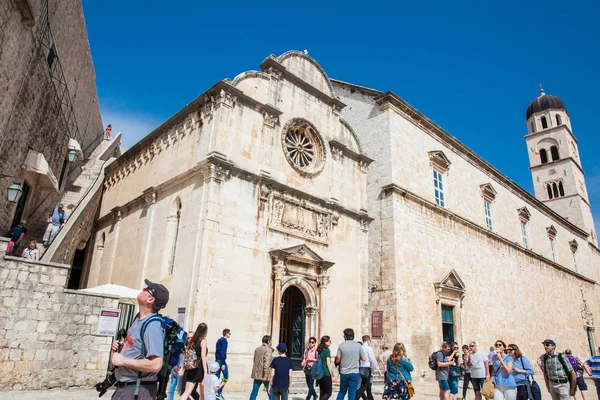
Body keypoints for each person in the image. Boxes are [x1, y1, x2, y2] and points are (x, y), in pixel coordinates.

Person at [110, 279, 169, 399]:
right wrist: (123, 348)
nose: (143, 289)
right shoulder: (138, 319)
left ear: (150, 300)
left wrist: (123, 361)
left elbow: (156, 364)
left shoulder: (152, 325)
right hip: (126, 388)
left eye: (147, 289)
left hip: (137, 390)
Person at [335, 328, 367, 400]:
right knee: (352, 393)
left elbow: (337, 360)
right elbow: (364, 358)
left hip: (344, 372)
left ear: (345, 336)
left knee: (342, 391)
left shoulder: (341, 346)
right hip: (354, 372)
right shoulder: (358, 346)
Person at [180, 323, 209, 400]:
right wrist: (206, 372)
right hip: (200, 368)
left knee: (186, 392)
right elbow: (203, 356)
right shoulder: (203, 340)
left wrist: (182, 368)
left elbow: (187, 355)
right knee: (203, 394)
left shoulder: (192, 340)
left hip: (192, 366)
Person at [168, 331, 193, 400]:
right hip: (176, 369)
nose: (190, 339)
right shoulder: (182, 347)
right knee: (171, 390)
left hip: (183, 372)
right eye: (188, 338)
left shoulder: (192, 349)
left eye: (191, 338)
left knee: (181, 391)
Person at [357, 335, 381, 400]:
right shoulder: (368, 348)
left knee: (363, 385)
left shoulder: (360, 347)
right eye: (370, 341)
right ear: (368, 340)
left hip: (360, 368)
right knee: (366, 385)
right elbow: (372, 359)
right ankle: (356, 397)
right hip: (366, 368)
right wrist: (378, 368)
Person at [250, 335, 273, 400]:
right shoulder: (268, 350)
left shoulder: (257, 349)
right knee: (270, 391)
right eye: (270, 341)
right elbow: (267, 364)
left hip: (257, 373)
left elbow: (254, 360)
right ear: (268, 341)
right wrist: (265, 375)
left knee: (254, 391)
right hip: (264, 375)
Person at [317, 335, 336, 400]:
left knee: (322, 392)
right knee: (328, 393)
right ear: (325, 342)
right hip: (325, 373)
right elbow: (328, 364)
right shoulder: (327, 350)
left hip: (320, 373)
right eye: (329, 341)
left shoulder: (319, 350)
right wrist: (332, 375)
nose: (330, 342)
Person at [215, 328, 231, 400]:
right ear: (226, 334)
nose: (230, 335)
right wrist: (223, 363)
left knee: (216, 377)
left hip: (217, 360)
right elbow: (222, 352)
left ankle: (213, 392)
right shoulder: (224, 341)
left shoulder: (219, 340)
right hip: (221, 361)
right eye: (229, 333)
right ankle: (218, 393)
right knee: (226, 377)